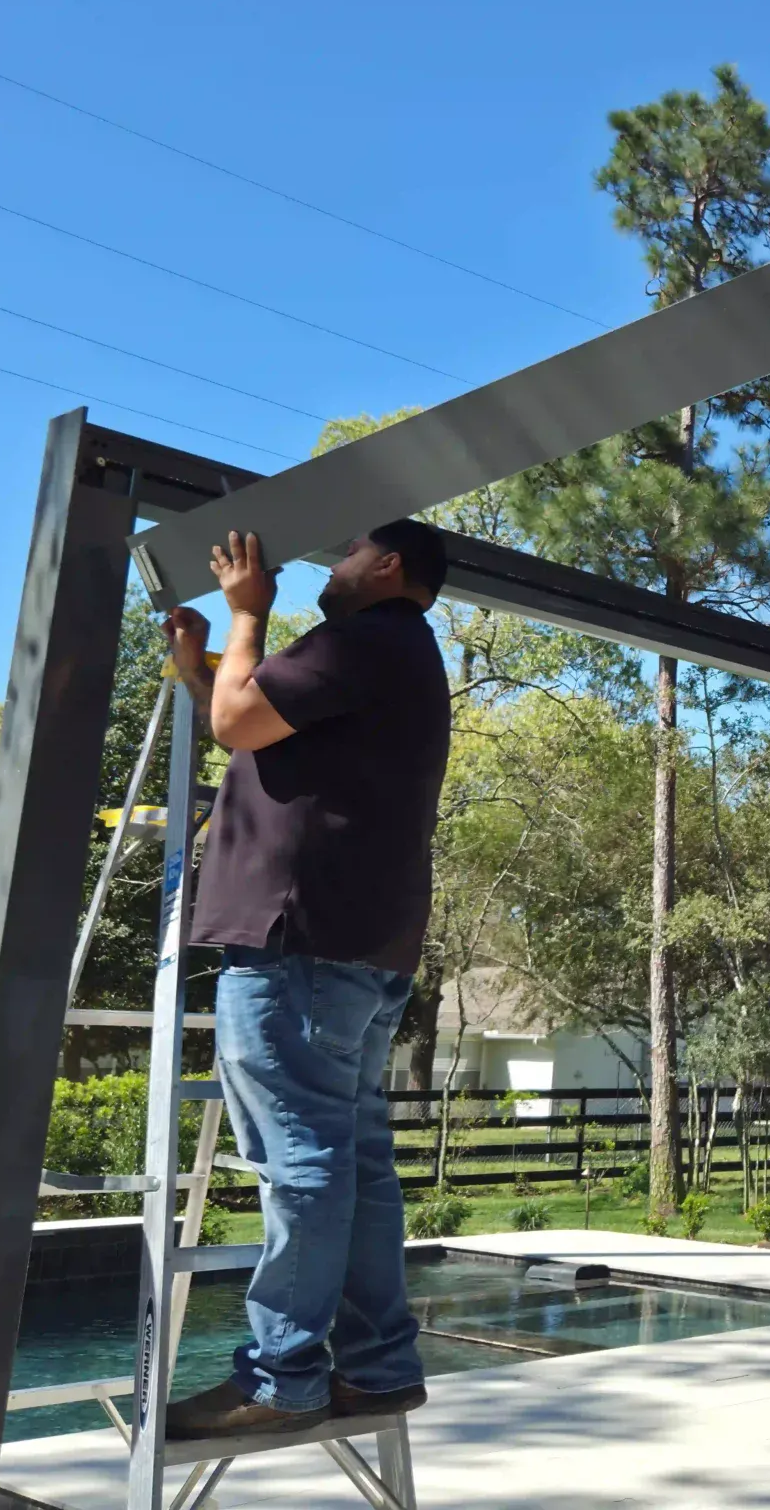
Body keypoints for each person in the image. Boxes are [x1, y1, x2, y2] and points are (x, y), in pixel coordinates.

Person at [160, 518, 453, 1440]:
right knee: (355, 1162)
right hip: (357, 945)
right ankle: (375, 1368)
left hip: (300, 942)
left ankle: (282, 1375)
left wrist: (248, 614)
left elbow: (239, 723)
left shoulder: (362, 637)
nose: (332, 567)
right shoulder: (398, 653)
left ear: (388, 565)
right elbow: (249, 726)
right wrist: (207, 667)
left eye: (346, 553)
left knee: (305, 1164)